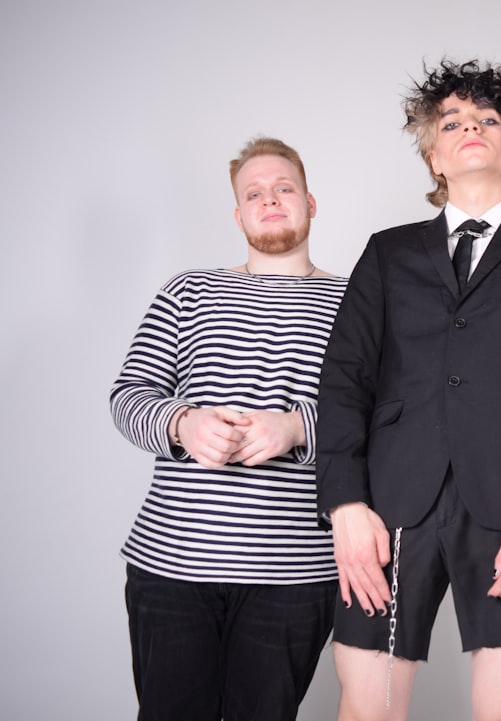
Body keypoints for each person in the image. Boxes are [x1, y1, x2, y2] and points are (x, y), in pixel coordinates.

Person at [315, 60, 501, 721]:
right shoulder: (386, 253)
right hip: (387, 508)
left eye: (488, 119)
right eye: (451, 123)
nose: (469, 127)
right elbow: (344, 380)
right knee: (366, 708)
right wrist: (345, 505)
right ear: (434, 157)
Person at [110, 137, 345, 721]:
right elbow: (129, 395)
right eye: (255, 193)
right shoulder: (186, 291)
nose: (271, 200)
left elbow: (387, 412)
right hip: (171, 565)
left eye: (284, 188)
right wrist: (182, 422)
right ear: (239, 215)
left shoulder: (356, 300)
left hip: (295, 572)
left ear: (311, 203)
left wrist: (296, 428)